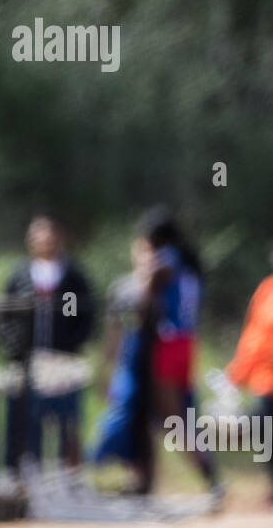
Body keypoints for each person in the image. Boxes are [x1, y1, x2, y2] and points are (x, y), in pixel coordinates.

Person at [91, 208, 219, 497]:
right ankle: (153, 477)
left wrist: (140, 268)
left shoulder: (164, 261)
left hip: (166, 344)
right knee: (169, 417)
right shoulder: (189, 265)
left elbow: (144, 294)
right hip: (185, 343)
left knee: (169, 418)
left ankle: (208, 479)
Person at [1, 215, 96, 470]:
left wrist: (71, 345)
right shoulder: (20, 275)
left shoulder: (73, 278)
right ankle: (23, 471)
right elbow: (6, 315)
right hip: (26, 361)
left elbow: (84, 316)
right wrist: (15, 347)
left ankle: (66, 475)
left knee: (65, 419)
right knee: (23, 419)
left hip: (62, 361)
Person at [226, 270, 273, 501]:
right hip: (267, 381)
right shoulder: (266, 289)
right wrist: (238, 372)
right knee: (264, 432)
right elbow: (254, 336)